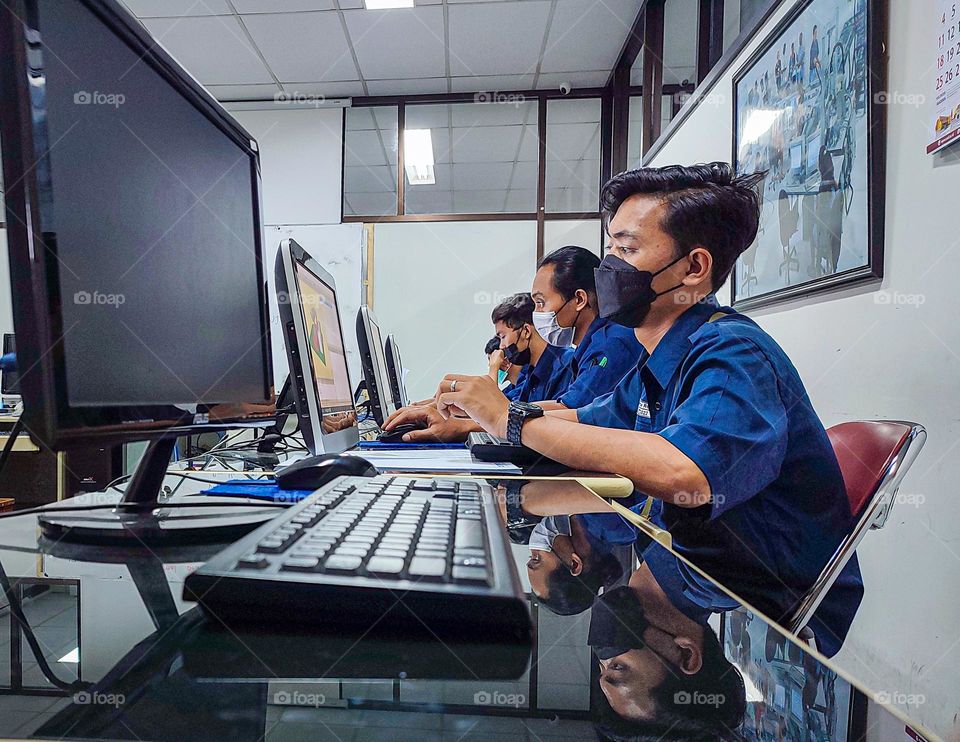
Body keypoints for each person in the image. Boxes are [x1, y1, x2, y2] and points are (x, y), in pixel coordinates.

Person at [428, 163, 863, 657]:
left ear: (693, 269)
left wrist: (509, 419)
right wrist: (484, 427)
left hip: (758, 610)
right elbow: (582, 419)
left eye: (628, 250)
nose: (608, 269)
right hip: (697, 572)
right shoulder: (662, 359)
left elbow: (686, 472)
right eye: (611, 248)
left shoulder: (732, 352)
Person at [590, 580, 746, 740]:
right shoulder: (716, 568)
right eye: (618, 667)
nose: (603, 657)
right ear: (685, 654)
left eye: (602, 667)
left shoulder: (664, 563)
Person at [531, 245, 643, 411]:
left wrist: (503, 415)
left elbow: (573, 411)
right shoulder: (589, 346)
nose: (537, 313)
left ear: (579, 299)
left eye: (541, 303)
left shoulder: (611, 344)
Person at [526, 512, 628, 616]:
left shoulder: (568, 512)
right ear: (574, 564)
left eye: (531, 557)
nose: (533, 547)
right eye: (536, 559)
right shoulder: (614, 524)